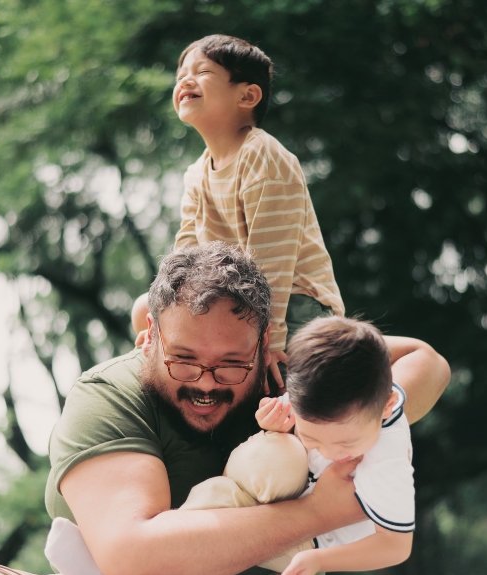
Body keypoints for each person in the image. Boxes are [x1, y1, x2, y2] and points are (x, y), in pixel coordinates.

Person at [0, 242, 450, 575]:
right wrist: (314, 512)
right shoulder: (110, 394)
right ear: (147, 338)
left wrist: (334, 385)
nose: (206, 381)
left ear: (262, 349)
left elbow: (428, 362)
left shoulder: (297, 389)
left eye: (231, 364)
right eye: (185, 359)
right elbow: (136, 561)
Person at [46, 316, 438, 575]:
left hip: (302, 548)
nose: (328, 452)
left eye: (233, 361)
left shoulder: (378, 445)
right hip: (286, 506)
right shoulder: (328, 396)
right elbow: (143, 310)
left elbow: (395, 547)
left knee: (269, 468)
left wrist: (321, 550)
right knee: (255, 472)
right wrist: (285, 418)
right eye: (313, 436)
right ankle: (124, 572)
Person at [131, 33, 345, 389]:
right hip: (238, 304)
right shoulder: (196, 173)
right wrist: (164, 321)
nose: (185, 80)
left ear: (247, 95)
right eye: (181, 73)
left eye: (202, 72)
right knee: (144, 310)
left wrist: (269, 344)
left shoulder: (265, 157)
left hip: (293, 306)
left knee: (278, 385)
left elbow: (272, 263)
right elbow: (184, 258)